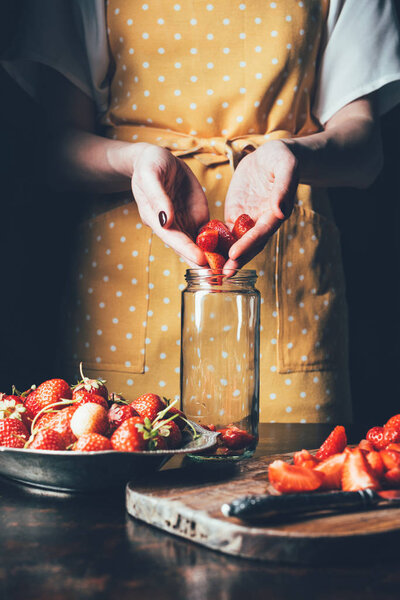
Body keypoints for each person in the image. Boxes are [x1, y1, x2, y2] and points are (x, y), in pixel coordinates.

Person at [2, 0, 400, 423]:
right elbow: (51, 151)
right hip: (125, 296)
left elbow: (365, 151)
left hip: (288, 307)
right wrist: (134, 161)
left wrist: (292, 156)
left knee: (293, 476)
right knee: (115, 440)